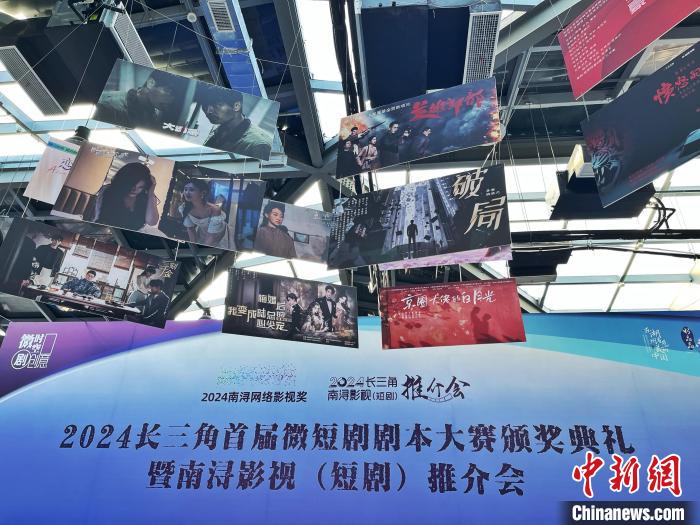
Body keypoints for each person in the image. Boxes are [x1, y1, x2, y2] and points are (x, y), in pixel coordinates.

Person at [196, 84, 272, 159]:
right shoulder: (218, 129)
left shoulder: (259, 145)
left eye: (217, 105)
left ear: (236, 106)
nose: (208, 111)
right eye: (205, 106)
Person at [94, 69, 182, 130]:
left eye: (174, 98)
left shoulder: (150, 117)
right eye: (167, 91)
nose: (170, 100)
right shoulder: (110, 105)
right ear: (151, 83)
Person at [90, 163, 160, 232]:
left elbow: (152, 222)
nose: (135, 190)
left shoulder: (145, 197)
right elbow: (100, 218)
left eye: (140, 187)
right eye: (132, 185)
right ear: (125, 182)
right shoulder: (109, 191)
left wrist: (151, 193)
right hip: (107, 232)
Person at [177, 178, 228, 248]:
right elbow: (190, 229)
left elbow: (211, 236)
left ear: (203, 193)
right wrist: (194, 246)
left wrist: (202, 249)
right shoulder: (184, 208)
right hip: (202, 231)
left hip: (218, 233)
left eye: (191, 190)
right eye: (185, 189)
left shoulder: (214, 209)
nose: (187, 193)